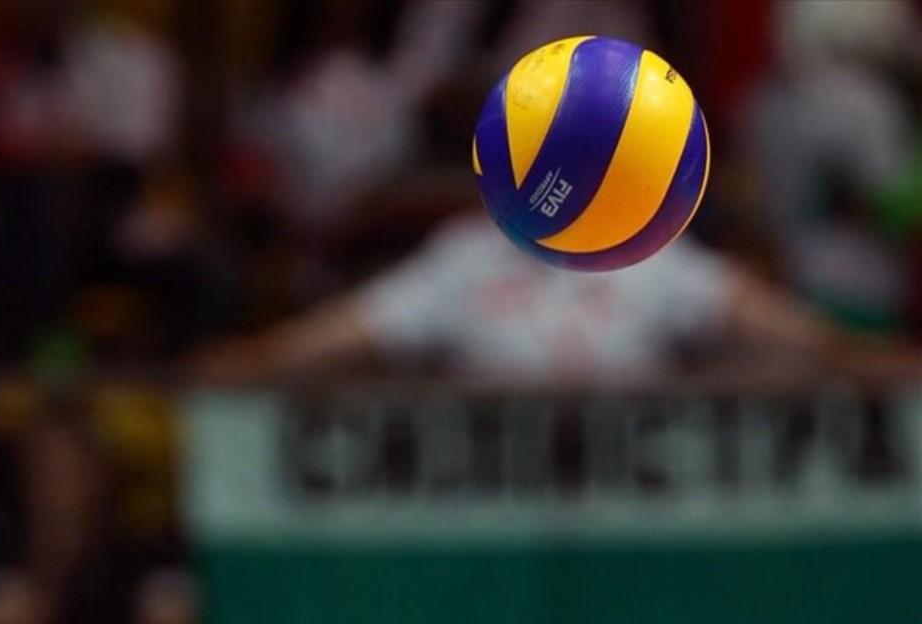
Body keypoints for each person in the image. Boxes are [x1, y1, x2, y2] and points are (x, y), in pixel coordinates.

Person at [191, 209, 922, 386]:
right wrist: (254, 360)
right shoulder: (465, 254)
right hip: (491, 526)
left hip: (630, 519)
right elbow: (355, 325)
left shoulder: (648, 246)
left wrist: (858, 355)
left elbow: (763, 318)